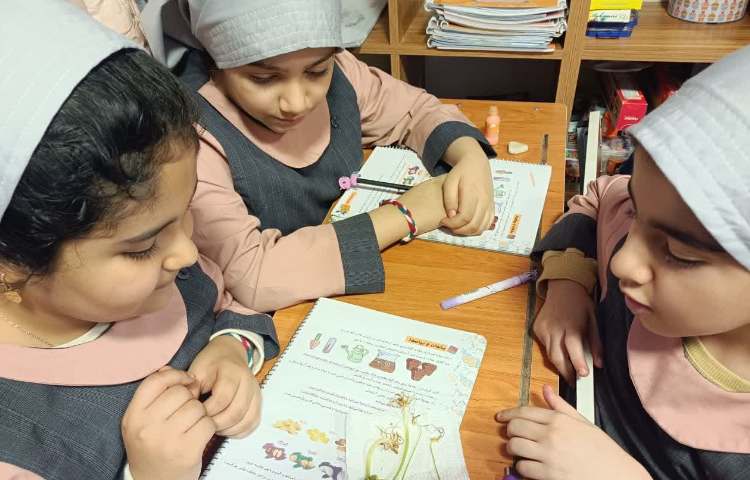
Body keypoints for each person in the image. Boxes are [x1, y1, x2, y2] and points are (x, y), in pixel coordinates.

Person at [0, 2, 278, 479]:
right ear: (12, 262)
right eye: (140, 248)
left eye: (187, 212)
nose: (187, 253)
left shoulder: (164, 273)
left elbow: (228, 304)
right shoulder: (20, 441)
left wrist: (232, 348)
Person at [141, 0, 498, 312]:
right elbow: (253, 274)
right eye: (263, 78)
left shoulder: (339, 70)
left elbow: (414, 109)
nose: (296, 102)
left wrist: (470, 157)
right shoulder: (190, 137)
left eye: (316, 72)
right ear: (216, 60)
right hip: (285, 315)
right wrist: (405, 214)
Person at [497, 45, 750, 479]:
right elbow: (601, 195)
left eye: (680, 254)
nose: (621, 263)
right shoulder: (654, 231)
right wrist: (569, 279)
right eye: (636, 213)